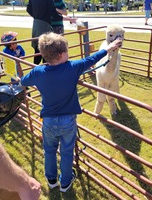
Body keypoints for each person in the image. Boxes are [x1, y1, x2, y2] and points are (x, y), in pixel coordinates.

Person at [18, 32, 122, 193]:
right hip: (67, 121)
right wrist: (109, 48)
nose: (69, 53)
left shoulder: (38, 72)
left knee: (50, 150)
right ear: (61, 55)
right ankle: (65, 183)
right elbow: (92, 60)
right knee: (66, 152)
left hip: (48, 121)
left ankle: (51, 180)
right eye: (67, 51)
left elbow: (24, 81)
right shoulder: (72, 68)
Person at [27, 0, 77, 65]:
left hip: (36, 24)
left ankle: (35, 69)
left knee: (37, 48)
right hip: (45, 25)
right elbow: (54, 13)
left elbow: (28, 9)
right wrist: (69, 19)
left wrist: (37, 16)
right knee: (46, 48)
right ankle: (46, 71)